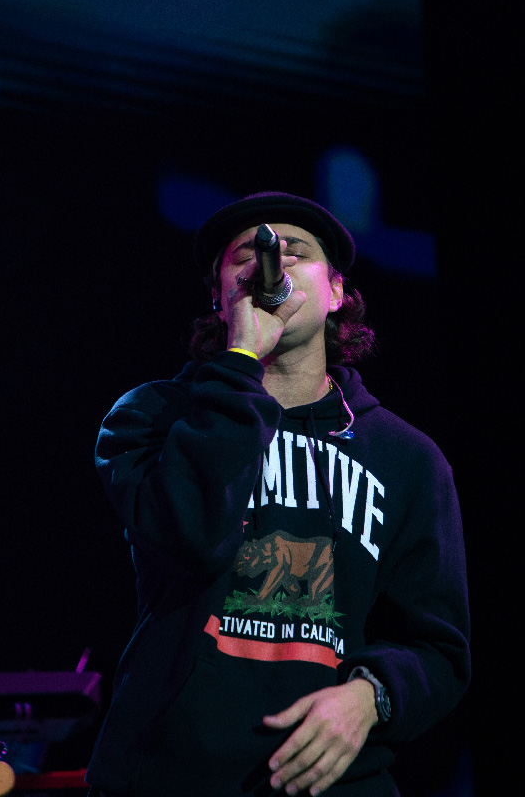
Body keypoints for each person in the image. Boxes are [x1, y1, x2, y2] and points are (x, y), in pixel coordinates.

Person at [86, 192, 471, 796]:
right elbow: (190, 535)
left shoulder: (409, 460)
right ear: (219, 298)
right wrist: (241, 362)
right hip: (171, 777)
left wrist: (370, 696)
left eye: (298, 251)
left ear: (337, 292)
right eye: (249, 254)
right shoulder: (153, 417)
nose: (274, 259)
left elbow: (438, 647)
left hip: (334, 783)